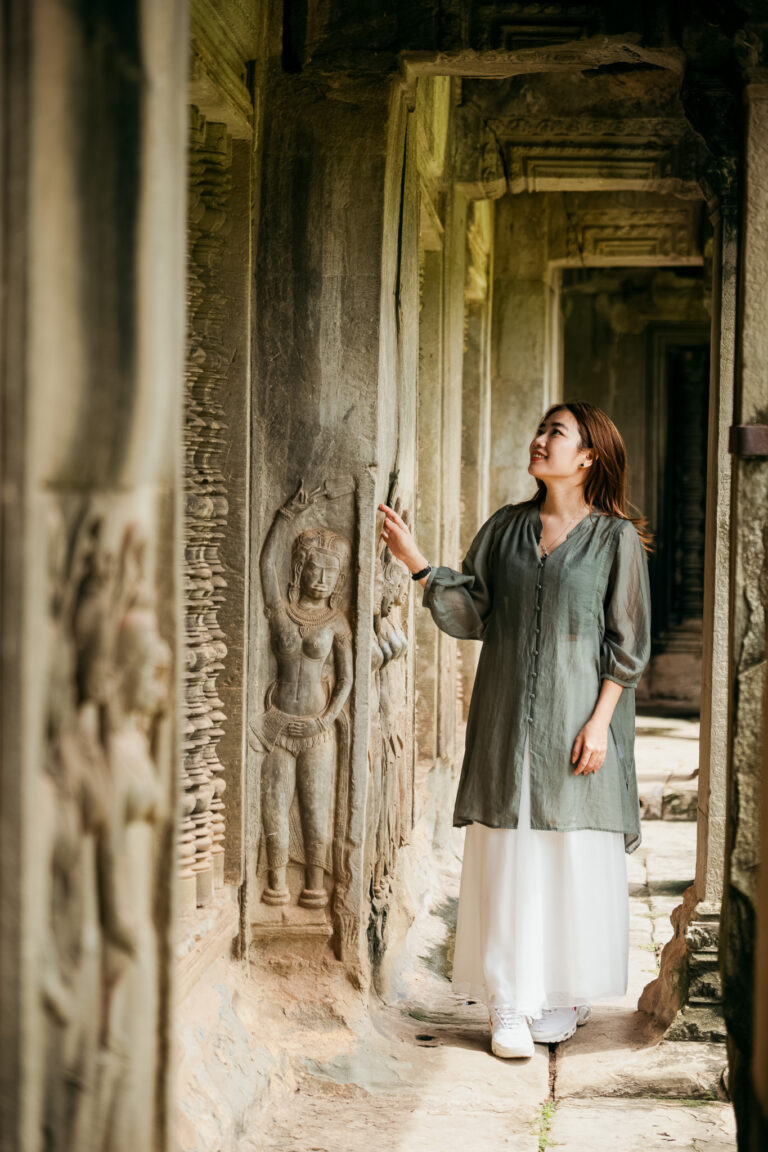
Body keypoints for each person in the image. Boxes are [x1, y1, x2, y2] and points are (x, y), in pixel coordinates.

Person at [379, 401, 652, 1059]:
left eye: (555, 433)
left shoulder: (614, 538)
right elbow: (473, 610)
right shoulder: (506, 528)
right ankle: (508, 1002)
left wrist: (599, 721)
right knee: (509, 852)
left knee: (569, 858)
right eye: (540, 430)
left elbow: (629, 639)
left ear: (588, 456)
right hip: (508, 719)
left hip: (581, 722)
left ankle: (560, 992)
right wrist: (417, 562)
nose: (539, 440)